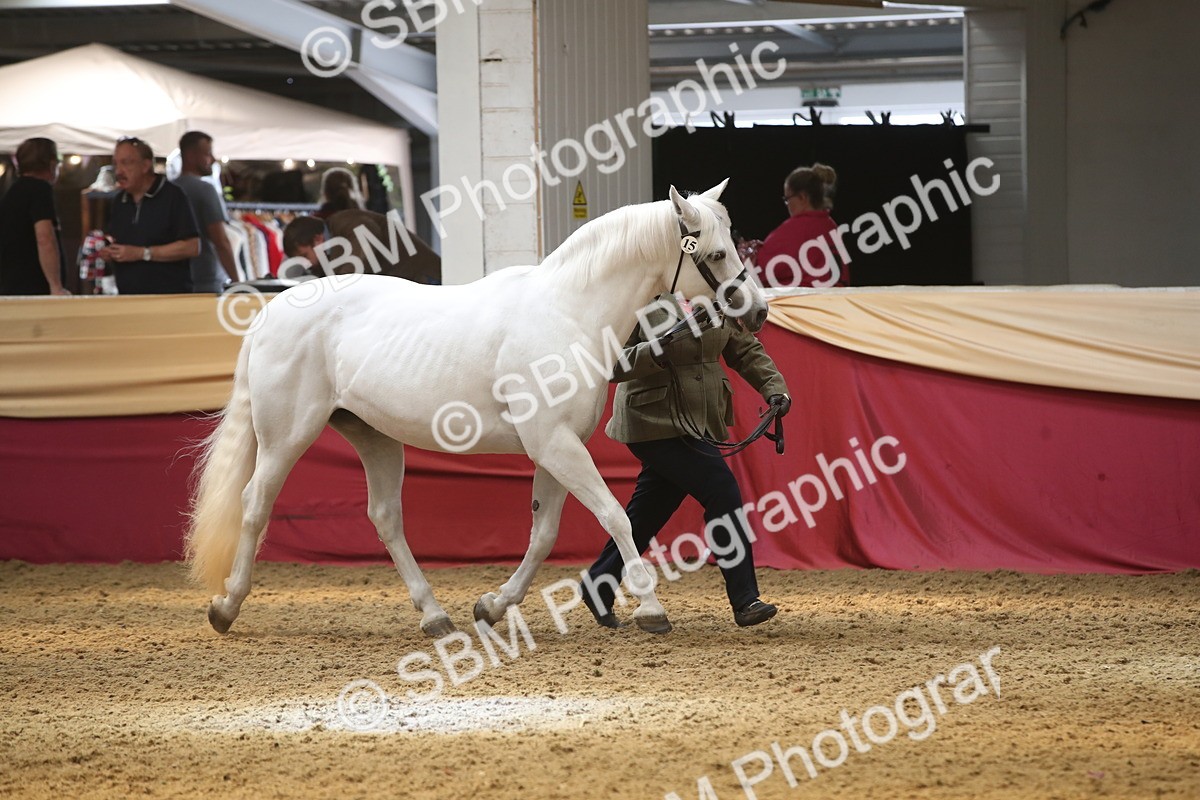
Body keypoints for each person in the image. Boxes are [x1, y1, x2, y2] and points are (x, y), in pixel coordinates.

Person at [580, 294, 791, 630]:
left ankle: (599, 583)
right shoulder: (640, 295)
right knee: (722, 491)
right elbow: (610, 363)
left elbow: (744, 348)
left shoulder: (716, 297)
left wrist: (773, 388)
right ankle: (745, 598)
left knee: (649, 511)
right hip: (651, 422)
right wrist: (654, 351)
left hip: (700, 421)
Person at [101, 137, 200, 294]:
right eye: (116, 163)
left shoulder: (173, 196)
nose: (119, 171)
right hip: (128, 300)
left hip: (169, 300)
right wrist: (110, 253)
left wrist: (142, 253)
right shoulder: (119, 201)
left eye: (126, 162)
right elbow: (120, 243)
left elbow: (192, 247)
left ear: (145, 165)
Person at [753, 162, 849, 288]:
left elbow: (760, 272)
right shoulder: (830, 224)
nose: (787, 205)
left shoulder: (797, 228)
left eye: (787, 199)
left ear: (802, 197)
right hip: (837, 302)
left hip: (806, 303)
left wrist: (749, 256)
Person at [281, 210, 441, 284]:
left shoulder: (345, 223)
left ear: (317, 239)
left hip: (425, 279)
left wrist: (341, 284)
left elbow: (366, 236)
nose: (309, 263)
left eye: (306, 256)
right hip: (415, 283)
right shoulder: (334, 238)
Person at [0, 137, 70, 295]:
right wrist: (56, 286)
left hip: (10, 285)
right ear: (52, 164)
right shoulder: (40, 189)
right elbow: (44, 237)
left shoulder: (11, 193)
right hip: (35, 287)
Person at [172, 131, 238, 292]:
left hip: (175, 279)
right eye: (207, 153)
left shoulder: (169, 190)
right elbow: (221, 241)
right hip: (206, 281)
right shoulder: (205, 190)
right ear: (190, 155)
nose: (213, 159)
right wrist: (238, 283)